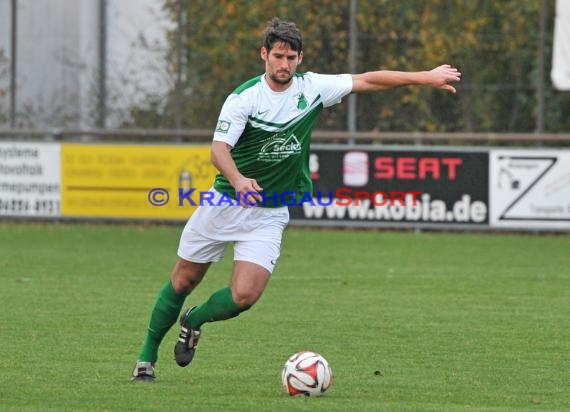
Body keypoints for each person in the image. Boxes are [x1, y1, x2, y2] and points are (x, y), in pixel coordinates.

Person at [131, 17, 461, 382]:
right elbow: (218, 150)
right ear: (264, 55)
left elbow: (368, 79)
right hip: (224, 205)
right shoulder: (245, 98)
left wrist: (425, 77)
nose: (284, 64)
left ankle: (195, 320)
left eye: (291, 57)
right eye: (277, 56)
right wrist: (239, 180)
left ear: (300, 58)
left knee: (244, 297)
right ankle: (146, 359)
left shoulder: (313, 88)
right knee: (182, 281)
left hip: (269, 212)